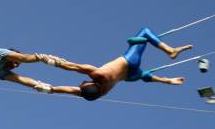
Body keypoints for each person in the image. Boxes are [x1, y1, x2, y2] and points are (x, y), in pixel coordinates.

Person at [35, 28, 193, 101]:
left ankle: (167, 80)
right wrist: (50, 61)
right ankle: (170, 51)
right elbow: (72, 66)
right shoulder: (98, 74)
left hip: (130, 74)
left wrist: (50, 89)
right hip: (129, 62)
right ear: (90, 83)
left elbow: (69, 90)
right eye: (82, 85)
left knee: (143, 75)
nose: (80, 84)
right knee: (144, 33)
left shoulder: (99, 93)